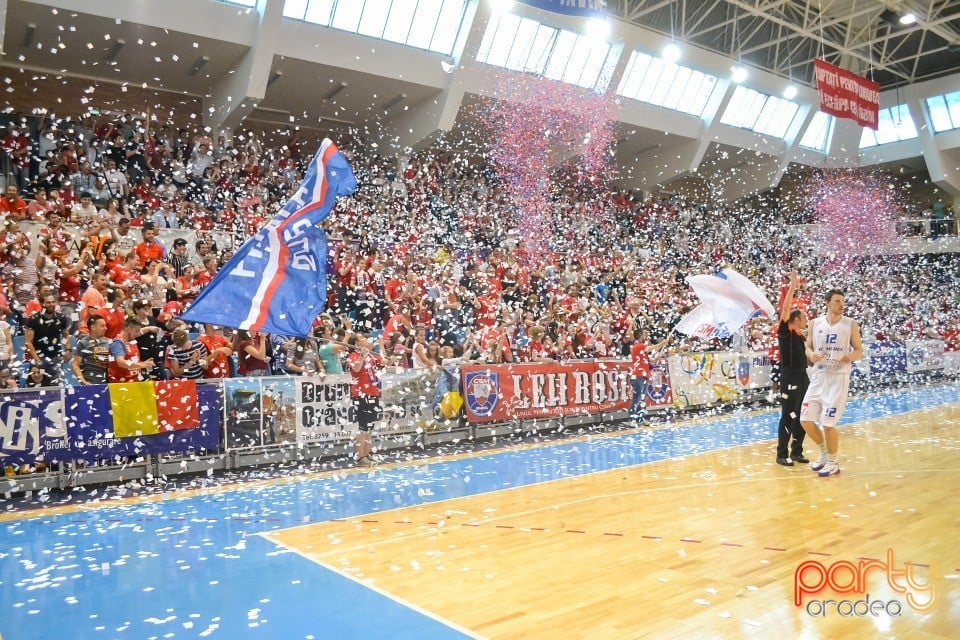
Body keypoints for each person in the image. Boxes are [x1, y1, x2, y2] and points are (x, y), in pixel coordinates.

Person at [800, 288, 864, 477]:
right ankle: (824, 451)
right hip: (818, 376)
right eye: (837, 301)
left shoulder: (850, 324)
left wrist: (850, 356)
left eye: (843, 301)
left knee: (828, 424)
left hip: (838, 377)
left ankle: (833, 462)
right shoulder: (814, 323)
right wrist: (812, 354)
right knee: (805, 420)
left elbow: (859, 350)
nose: (841, 304)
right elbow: (808, 347)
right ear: (827, 302)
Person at [775, 270, 809, 466]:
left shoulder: (801, 337)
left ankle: (797, 451)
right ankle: (781, 454)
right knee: (788, 416)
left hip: (803, 377)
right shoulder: (785, 332)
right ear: (795, 319)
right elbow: (785, 309)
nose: (805, 320)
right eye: (803, 317)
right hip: (789, 378)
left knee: (804, 414)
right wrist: (793, 286)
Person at [346, 332, 384, 466]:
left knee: (370, 426)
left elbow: (384, 361)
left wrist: (382, 346)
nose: (365, 339)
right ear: (356, 343)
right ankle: (360, 457)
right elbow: (356, 369)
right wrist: (362, 356)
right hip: (360, 394)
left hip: (373, 392)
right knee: (363, 426)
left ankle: (367, 454)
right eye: (362, 338)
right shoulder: (353, 356)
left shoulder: (371, 356)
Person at [108, 317, 154, 383]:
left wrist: (144, 363)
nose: (137, 333)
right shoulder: (117, 343)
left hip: (135, 381)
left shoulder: (132, 341)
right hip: (121, 384)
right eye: (136, 331)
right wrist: (141, 365)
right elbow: (121, 362)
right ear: (128, 329)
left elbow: (133, 361)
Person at [73, 316, 111, 384]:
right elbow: (75, 365)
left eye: (105, 325)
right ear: (93, 327)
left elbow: (103, 365)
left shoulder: (106, 343)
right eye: (102, 326)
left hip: (106, 385)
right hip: (89, 384)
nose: (106, 328)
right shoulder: (83, 343)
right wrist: (84, 382)